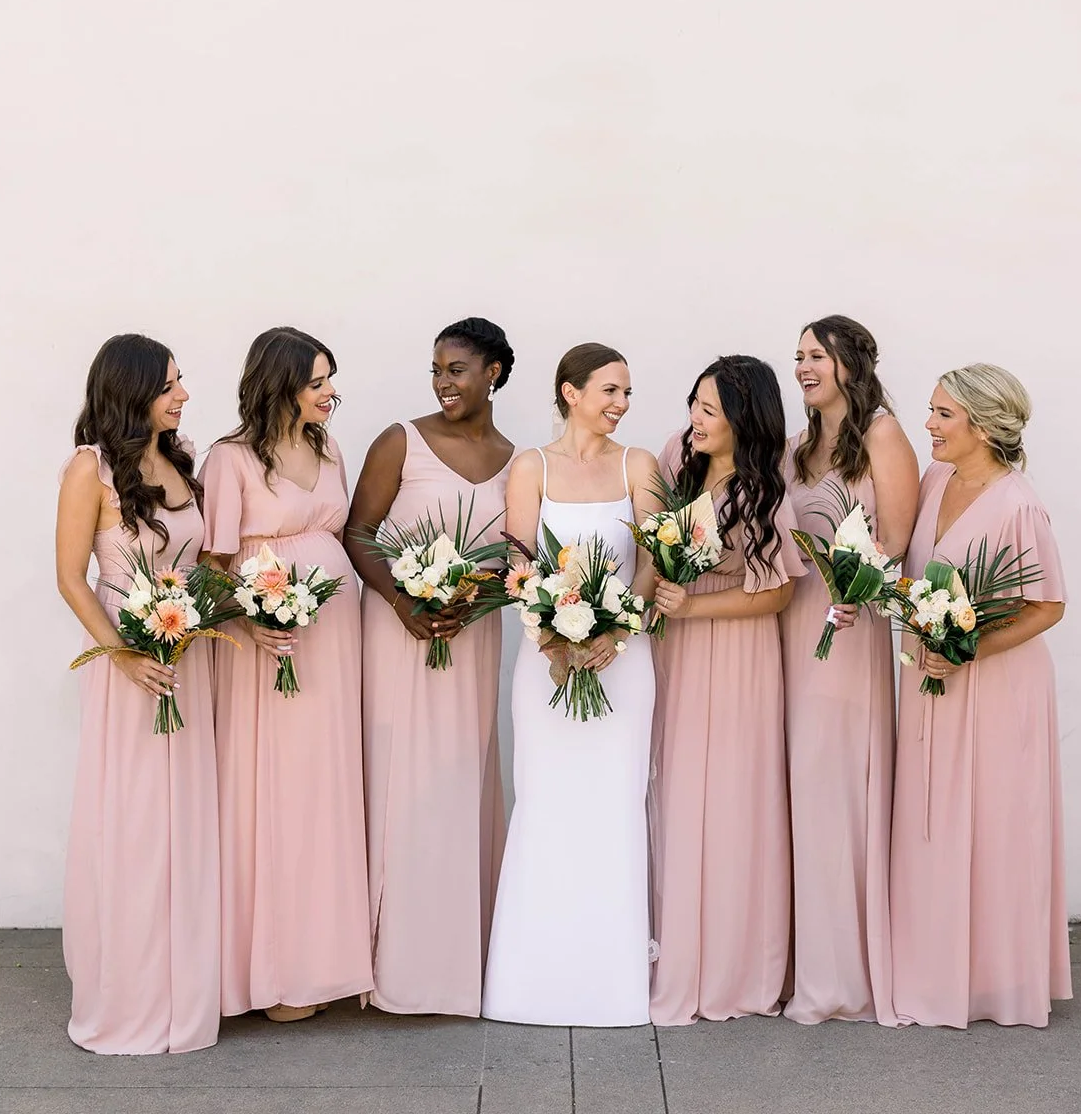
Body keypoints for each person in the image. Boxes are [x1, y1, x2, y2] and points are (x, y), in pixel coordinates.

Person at [481, 344, 660, 1027]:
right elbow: (519, 563)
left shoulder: (638, 464)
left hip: (623, 658)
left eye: (627, 392)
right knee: (546, 801)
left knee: (616, 803)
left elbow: (653, 558)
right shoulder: (532, 466)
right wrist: (554, 639)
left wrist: (620, 628)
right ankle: (530, 984)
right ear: (570, 391)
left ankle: (612, 986)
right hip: (546, 657)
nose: (621, 403)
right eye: (610, 390)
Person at [343, 317, 515, 1016]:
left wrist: (475, 603)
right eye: (437, 370)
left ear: (493, 373)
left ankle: (457, 960)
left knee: (457, 781)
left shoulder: (518, 461)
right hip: (398, 631)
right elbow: (359, 531)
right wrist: (401, 600)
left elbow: (521, 561)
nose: (444, 382)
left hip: (471, 638)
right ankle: (388, 961)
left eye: (457, 370)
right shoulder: (401, 441)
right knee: (399, 781)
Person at [890, 363, 1071, 1028]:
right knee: (933, 817)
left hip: (997, 686)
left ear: (986, 426)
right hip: (931, 677)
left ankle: (998, 981)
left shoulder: (1018, 504)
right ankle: (935, 968)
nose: (929, 425)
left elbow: (1048, 606)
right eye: (931, 410)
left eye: (944, 414)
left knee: (994, 823)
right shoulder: (934, 481)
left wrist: (968, 650)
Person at [201, 327, 372, 1023]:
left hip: (332, 641)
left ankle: (322, 962)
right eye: (317, 382)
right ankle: (270, 973)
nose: (330, 394)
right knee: (273, 791)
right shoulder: (230, 458)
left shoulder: (329, 449)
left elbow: (340, 536)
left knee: (325, 787)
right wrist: (252, 620)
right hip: (268, 647)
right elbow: (212, 566)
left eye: (331, 380)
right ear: (280, 384)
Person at [57, 333, 220, 1053]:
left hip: (189, 657)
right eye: (168, 385)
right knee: (137, 823)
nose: (183, 395)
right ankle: (130, 994)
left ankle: (185, 993)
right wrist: (122, 654)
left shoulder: (181, 460)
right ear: (131, 391)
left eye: (181, 382)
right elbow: (70, 577)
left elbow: (201, 563)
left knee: (187, 821)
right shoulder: (89, 468)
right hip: (129, 664)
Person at [648, 355, 804, 1026]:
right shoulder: (676, 463)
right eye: (694, 404)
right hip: (676, 652)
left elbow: (779, 592)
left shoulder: (765, 493)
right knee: (677, 792)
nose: (695, 419)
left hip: (738, 655)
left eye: (709, 410)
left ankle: (736, 967)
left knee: (735, 800)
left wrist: (694, 606)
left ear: (744, 419)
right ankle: (674, 948)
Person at [780, 317, 918, 1024]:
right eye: (798, 356)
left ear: (850, 365)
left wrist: (858, 586)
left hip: (846, 627)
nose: (803, 367)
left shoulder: (884, 436)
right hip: (789, 627)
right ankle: (800, 957)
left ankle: (839, 975)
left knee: (831, 787)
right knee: (797, 789)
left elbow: (897, 543)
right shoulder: (797, 447)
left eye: (816, 356)